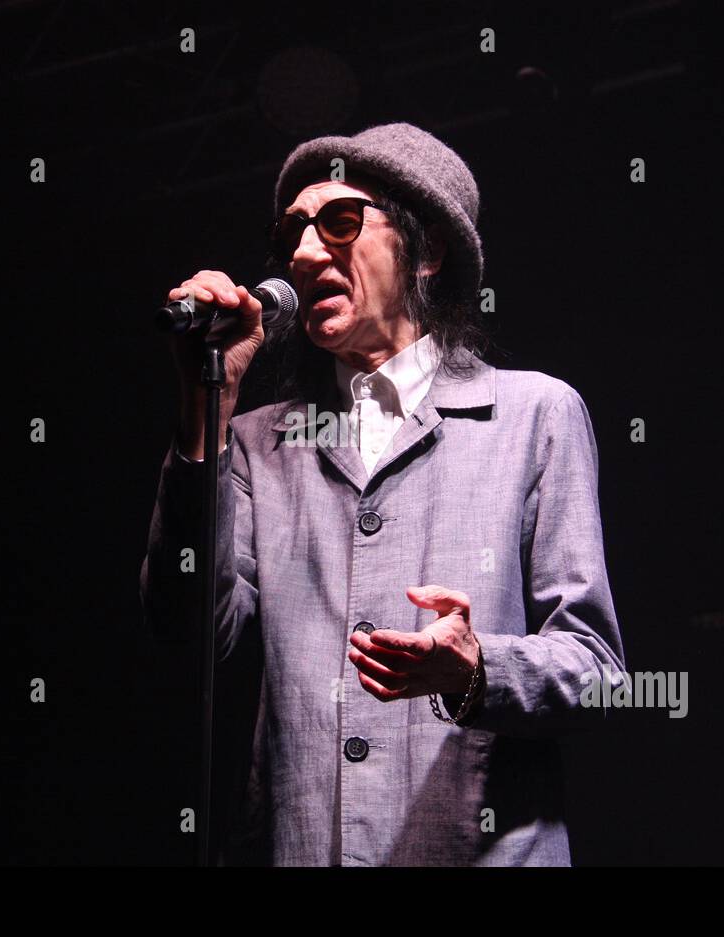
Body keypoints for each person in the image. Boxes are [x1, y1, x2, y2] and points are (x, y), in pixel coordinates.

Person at [140, 122, 625, 866]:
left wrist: (478, 669)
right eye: (292, 233)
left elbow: (596, 673)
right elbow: (187, 635)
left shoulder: (535, 416)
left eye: (338, 222)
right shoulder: (260, 443)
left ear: (427, 252)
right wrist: (205, 412)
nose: (303, 255)